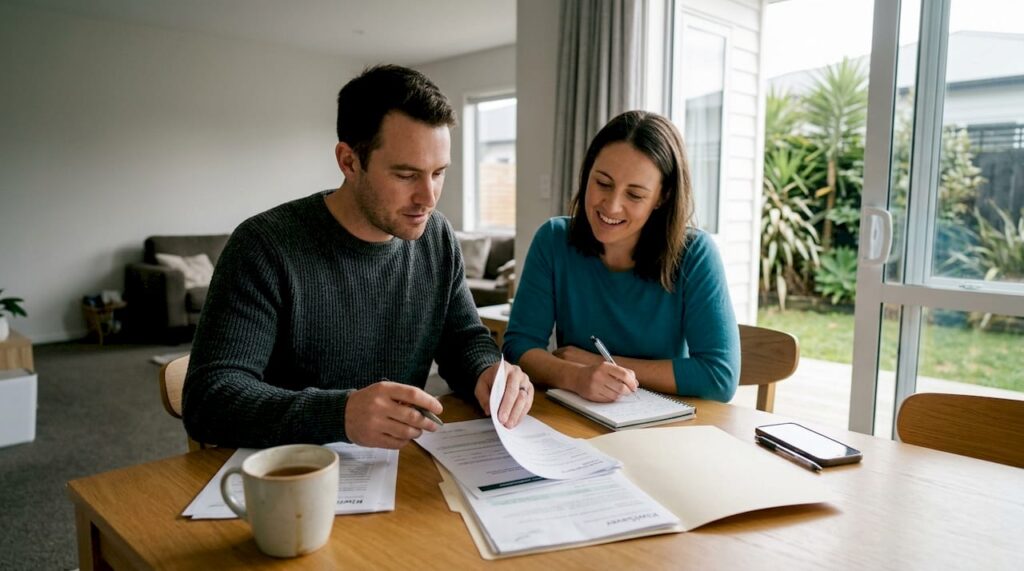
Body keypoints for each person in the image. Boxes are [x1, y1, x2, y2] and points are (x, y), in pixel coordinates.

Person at [183, 65, 533, 450]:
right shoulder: (264, 246)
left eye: (438, 173)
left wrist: (489, 370)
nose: (428, 198)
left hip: (396, 468)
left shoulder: (437, 237)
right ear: (349, 162)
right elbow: (209, 400)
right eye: (405, 175)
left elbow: (463, 340)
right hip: (290, 475)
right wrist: (340, 414)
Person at [502, 110, 739, 403]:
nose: (611, 207)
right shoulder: (553, 240)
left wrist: (600, 364)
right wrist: (575, 376)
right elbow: (518, 347)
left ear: (662, 197)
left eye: (635, 195)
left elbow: (719, 377)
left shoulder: (695, 254)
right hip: (577, 418)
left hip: (665, 428)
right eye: (602, 183)